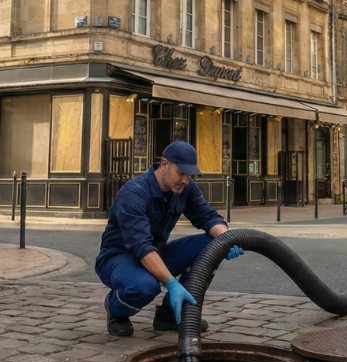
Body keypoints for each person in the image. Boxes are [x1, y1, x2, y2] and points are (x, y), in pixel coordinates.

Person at [95, 141, 244, 337]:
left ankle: (169, 314)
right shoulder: (134, 193)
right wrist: (172, 284)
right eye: (181, 173)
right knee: (145, 286)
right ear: (164, 164)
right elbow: (141, 247)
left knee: (213, 245)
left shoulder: (185, 188)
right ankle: (116, 309)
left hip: (156, 252)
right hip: (118, 258)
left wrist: (226, 239)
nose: (185, 180)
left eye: (189, 175)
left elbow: (208, 217)